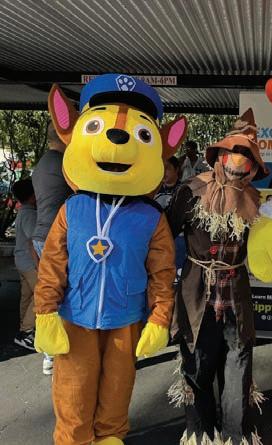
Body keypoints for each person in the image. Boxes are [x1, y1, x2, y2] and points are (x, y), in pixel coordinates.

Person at [34, 74, 184, 445]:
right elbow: (52, 264)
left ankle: (110, 438)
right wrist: (45, 310)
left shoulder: (150, 217)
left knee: (117, 390)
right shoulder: (72, 209)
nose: (117, 140)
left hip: (126, 319)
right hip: (76, 315)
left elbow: (162, 273)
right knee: (74, 391)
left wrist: (159, 317)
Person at [167, 109, 269, 445]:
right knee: (197, 363)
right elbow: (164, 235)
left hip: (236, 294)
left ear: (254, 166)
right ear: (219, 156)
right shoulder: (192, 191)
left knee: (238, 365)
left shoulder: (254, 200)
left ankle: (235, 436)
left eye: (247, 156)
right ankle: (201, 435)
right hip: (197, 295)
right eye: (234, 153)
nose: (239, 162)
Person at [31, 122, 72, 374]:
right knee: (63, 292)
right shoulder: (64, 164)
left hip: (41, 233)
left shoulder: (42, 164)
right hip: (55, 235)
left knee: (49, 289)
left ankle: (49, 354)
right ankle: (58, 354)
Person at [12, 178, 37, 351]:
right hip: (29, 262)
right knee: (41, 293)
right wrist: (39, 264)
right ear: (33, 195)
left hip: (21, 261)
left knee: (27, 295)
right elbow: (33, 240)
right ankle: (26, 331)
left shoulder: (22, 211)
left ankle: (24, 326)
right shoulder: (30, 214)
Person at [154, 156, 186, 274]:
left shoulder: (185, 191)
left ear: (176, 169)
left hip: (179, 242)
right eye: (161, 168)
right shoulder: (153, 190)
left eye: (167, 168)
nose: (163, 172)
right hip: (158, 240)